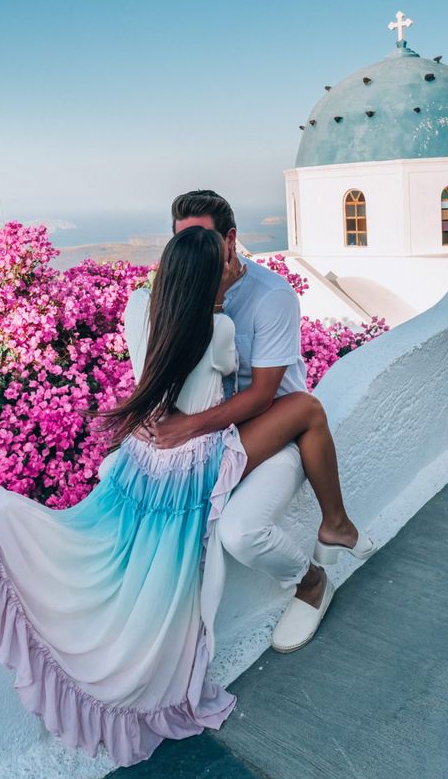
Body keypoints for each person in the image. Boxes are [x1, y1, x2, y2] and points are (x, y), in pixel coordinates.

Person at [0, 223, 370, 768]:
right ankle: (336, 525)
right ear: (213, 275)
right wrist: (224, 292)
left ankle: (337, 527)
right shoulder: (222, 325)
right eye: (225, 262)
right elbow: (233, 378)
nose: (235, 263)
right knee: (307, 409)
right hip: (194, 459)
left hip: (146, 459)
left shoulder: (145, 313)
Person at [142, 190, 377, 654]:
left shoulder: (271, 297)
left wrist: (184, 428)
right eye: (182, 243)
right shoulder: (175, 293)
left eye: (205, 241)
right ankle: (337, 525)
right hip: (213, 434)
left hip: (275, 427)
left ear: (230, 241)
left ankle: (312, 582)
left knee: (241, 531)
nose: (193, 255)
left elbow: (262, 396)